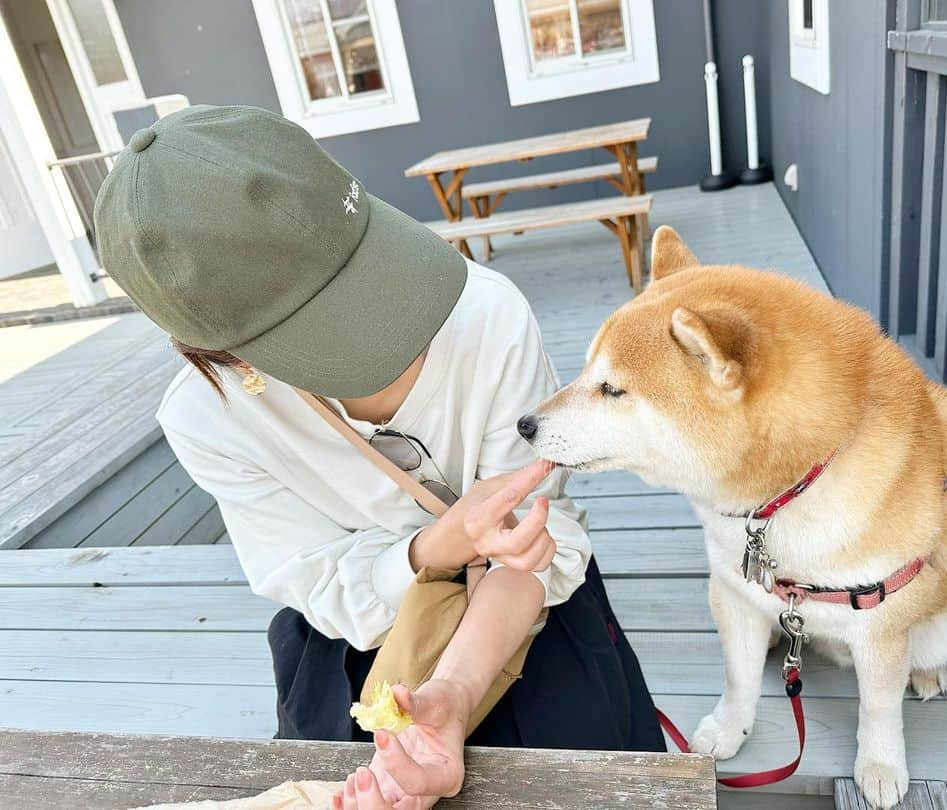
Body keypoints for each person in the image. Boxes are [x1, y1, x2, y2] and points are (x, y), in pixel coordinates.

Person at [93, 104, 664, 808]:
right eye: (319, 325)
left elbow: (530, 546)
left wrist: (452, 696)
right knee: (347, 780)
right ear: (221, 350)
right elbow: (313, 577)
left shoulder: (484, 314)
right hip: (362, 628)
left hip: (521, 598)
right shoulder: (205, 417)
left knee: (590, 769)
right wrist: (437, 546)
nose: (391, 331)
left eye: (362, 275)